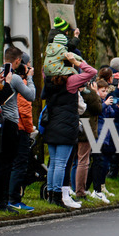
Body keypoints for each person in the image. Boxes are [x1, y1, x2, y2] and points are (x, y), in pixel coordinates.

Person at [40, 50, 97, 208]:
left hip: (51, 124)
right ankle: (58, 196)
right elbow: (92, 72)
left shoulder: (49, 80)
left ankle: (51, 193)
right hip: (66, 126)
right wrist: (77, 62)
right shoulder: (71, 82)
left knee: (52, 163)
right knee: (60, 163)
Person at [0, 47, 36, 212]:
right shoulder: (13, 78)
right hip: (10, 123)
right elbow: (31, 96)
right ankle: (2, 201)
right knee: (7, 163)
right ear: (17, 61)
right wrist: (29, 78)